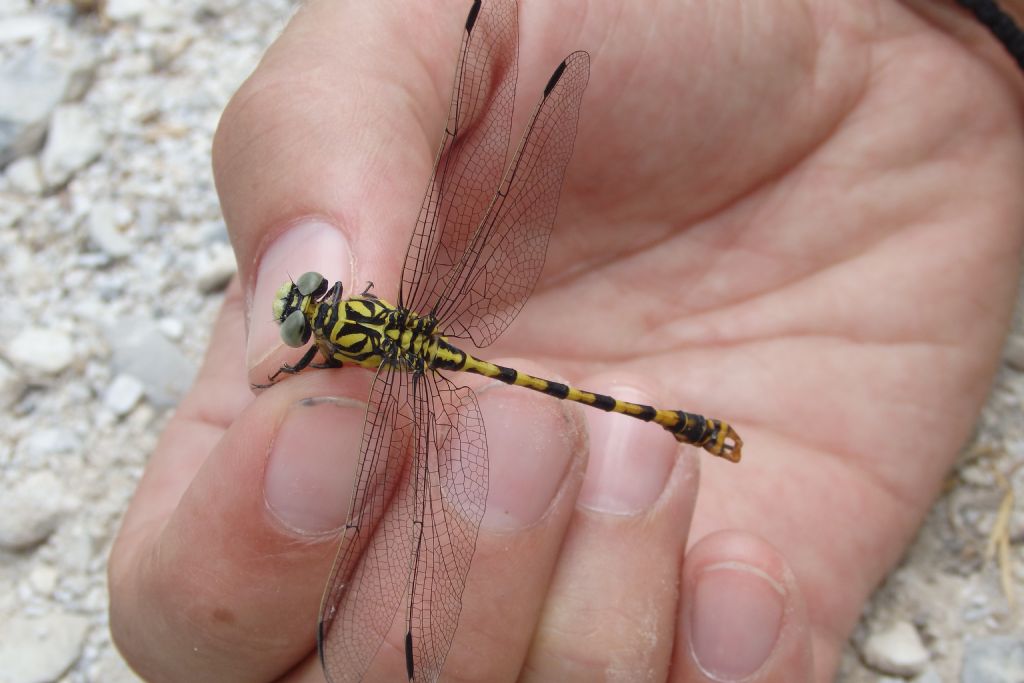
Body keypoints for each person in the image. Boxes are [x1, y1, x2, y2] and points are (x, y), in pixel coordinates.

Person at [108, 1, 1024, 681]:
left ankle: (680, 430)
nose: (306, 303)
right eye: (310, 305)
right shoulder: (371, 327)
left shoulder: (349, 345)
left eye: (311, 303)